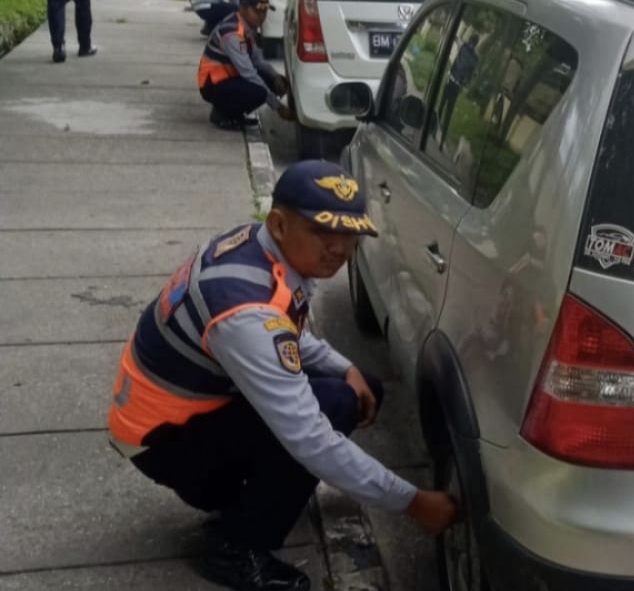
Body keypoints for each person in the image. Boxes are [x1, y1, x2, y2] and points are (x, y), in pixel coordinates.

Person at [107, 159, 458, 591]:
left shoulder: (256, 250)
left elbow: (285, 332)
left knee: (357, 383)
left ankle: (256, 498)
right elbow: (309, 435)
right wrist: (413, 502)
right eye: (321, 231)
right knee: (329, 410)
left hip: (182, 412)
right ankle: (233, 547)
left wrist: (345, 366)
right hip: (165, 441)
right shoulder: (244, 311)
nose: (339, 249)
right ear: (278, 224)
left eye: (349, 235)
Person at [198, 0, 293, 131]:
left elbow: (258, 60)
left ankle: (236, 114)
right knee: (259, 92)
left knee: (273, 81)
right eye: (257, 11)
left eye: (265, 12)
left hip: (229, 79)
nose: (262, 17)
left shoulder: (246, 27)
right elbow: (248, 72)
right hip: (213, 84)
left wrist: (275, 77)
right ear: (243, 8)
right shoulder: (232, 33)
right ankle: (222, 115)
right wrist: (277, 107)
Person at [437, 33, 480, 145]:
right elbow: (472, 75)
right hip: (458, 86)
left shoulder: (464, 47)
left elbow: (457, 40)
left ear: (470, 40)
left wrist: (455, 36)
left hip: (450, 80)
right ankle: (442, 138)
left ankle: (434, 124)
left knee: (442, 104)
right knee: (449, 110)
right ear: (476, 44)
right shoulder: (475, 59)